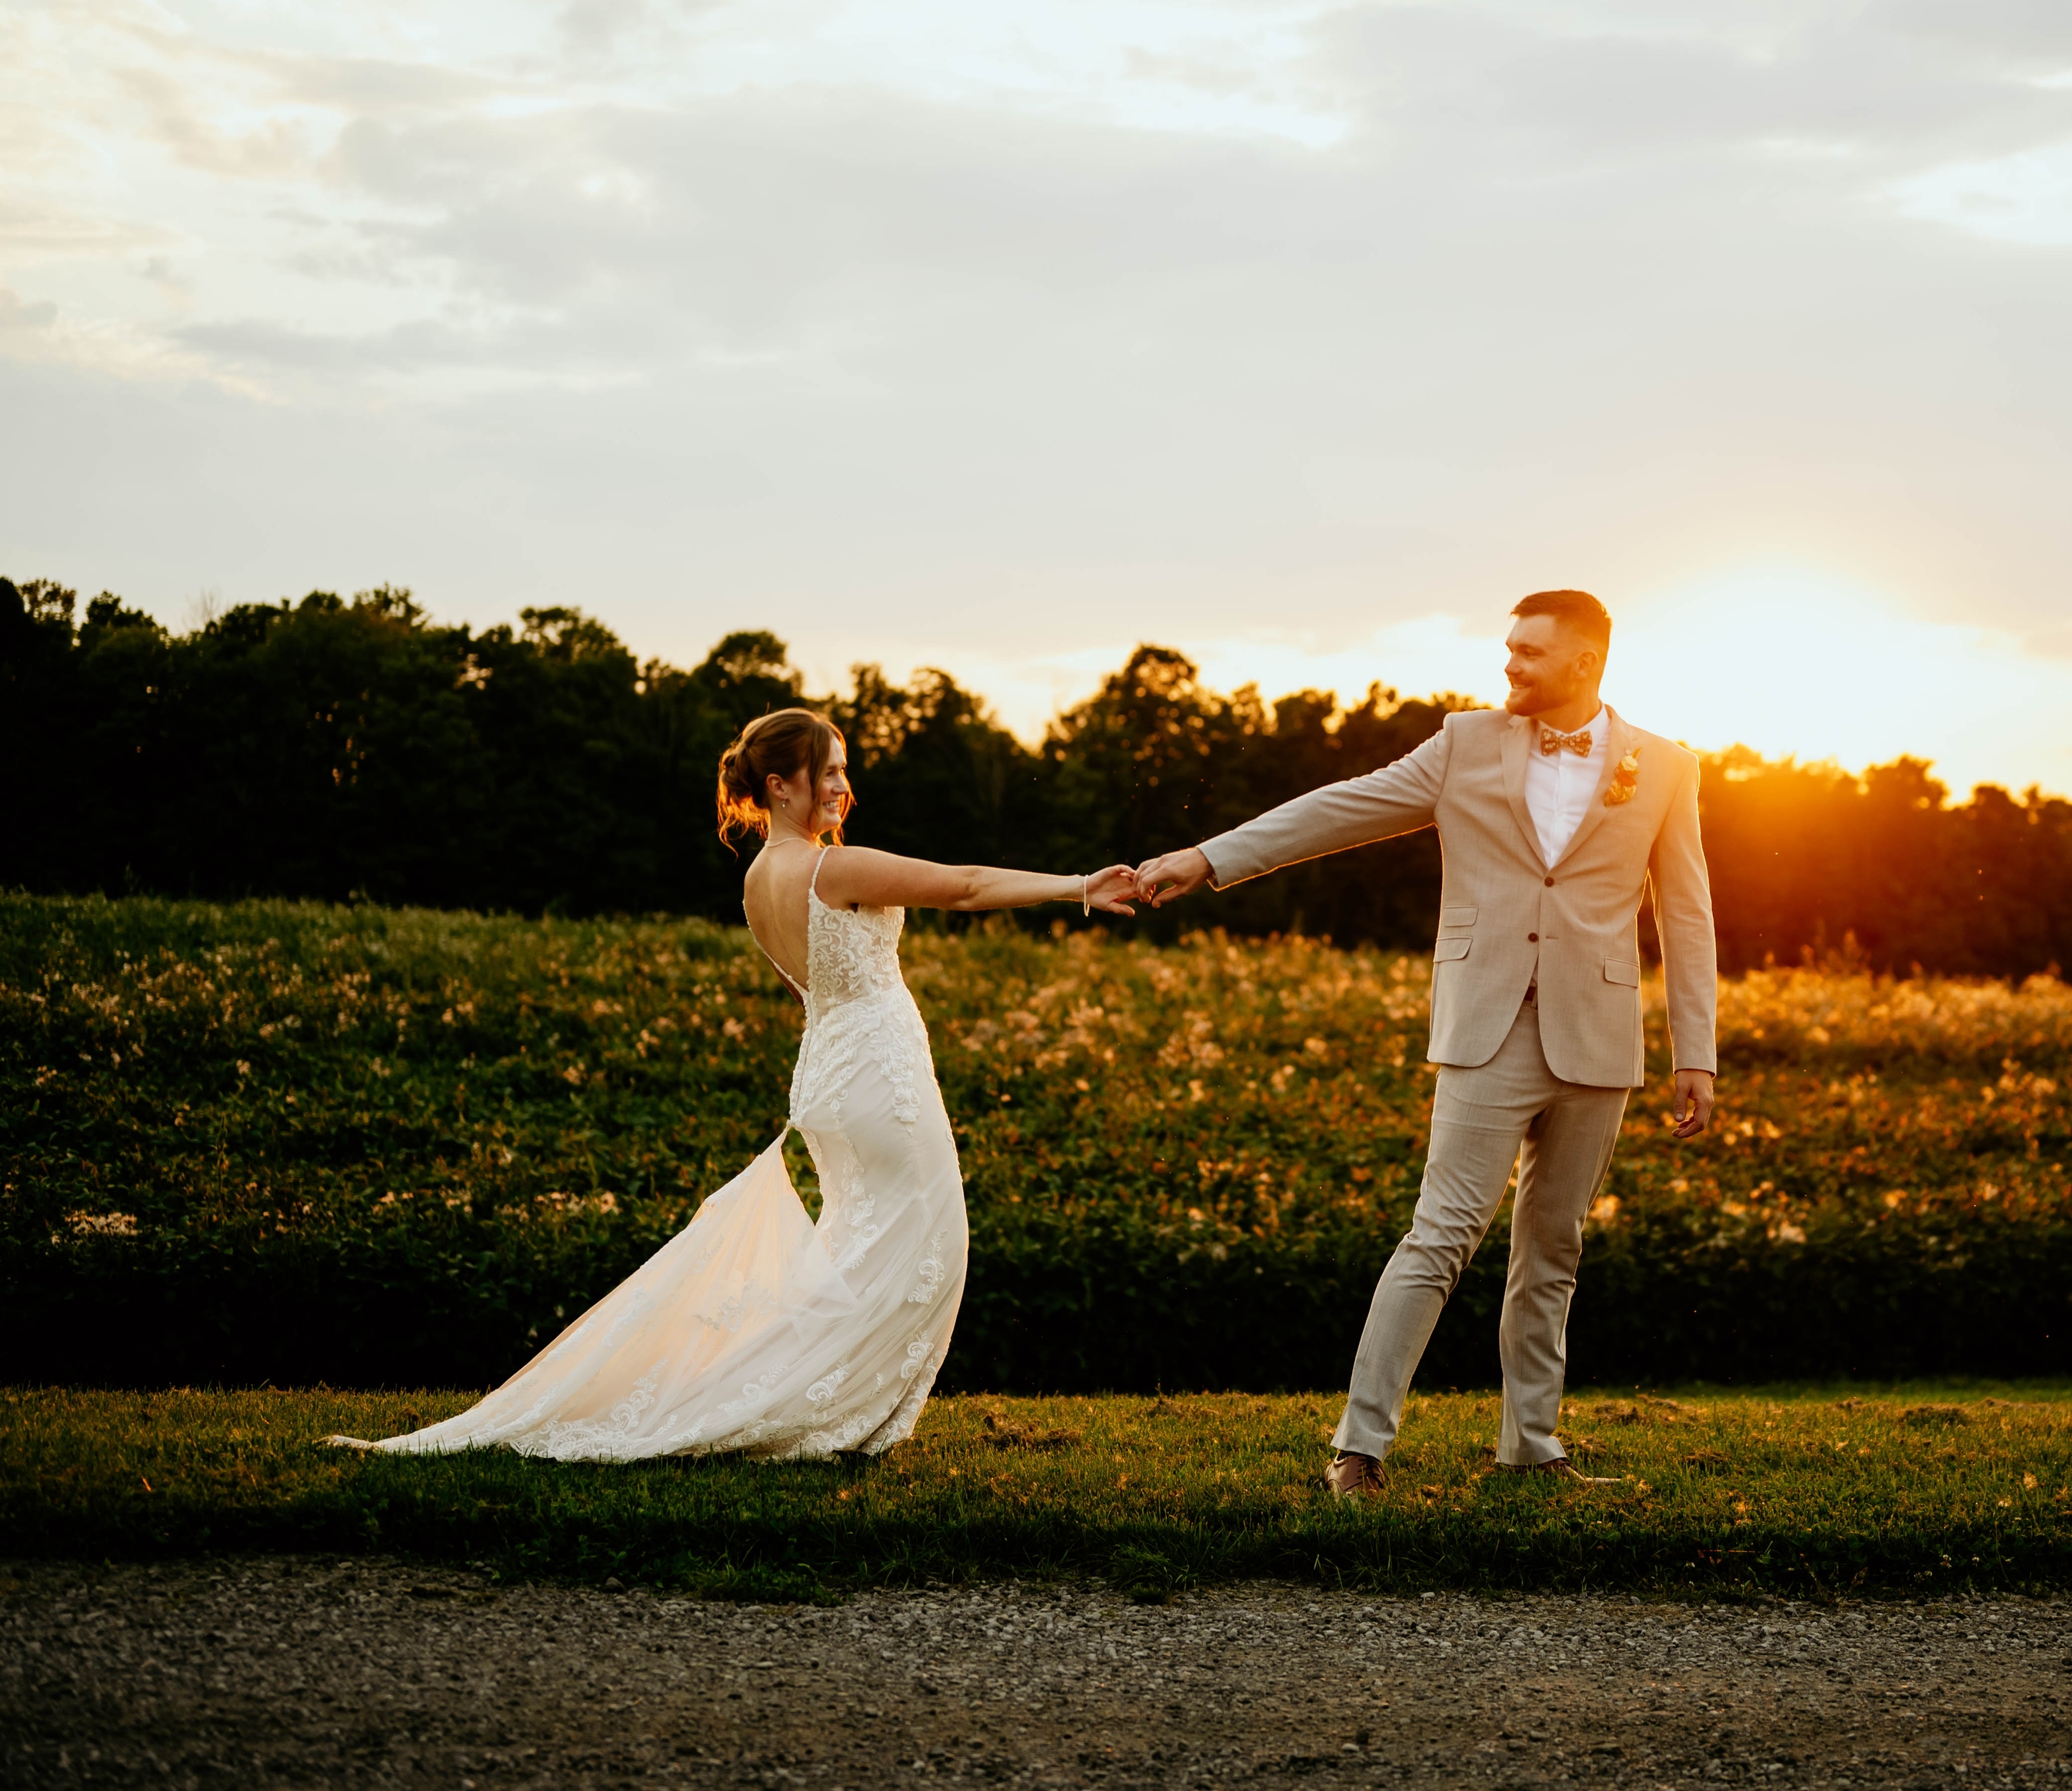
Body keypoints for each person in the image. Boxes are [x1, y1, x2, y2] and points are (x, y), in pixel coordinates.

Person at [326, 708, 1140, 1462]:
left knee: (858, 1246)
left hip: (829, 1070)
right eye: (826, 771)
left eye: (842, 770)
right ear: (779, 785)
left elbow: (809, 988)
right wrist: (1078, 886)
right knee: (927, 1242)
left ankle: (813, 1396)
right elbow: (963, 885)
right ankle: (825, 1410)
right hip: (880, 1072)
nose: (840, 785)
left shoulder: (755, 884)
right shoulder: (835, 866)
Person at [1134, 589, 1717, 1494]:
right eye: (1509, 647)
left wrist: (1696, 1052)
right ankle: (1359, 1448)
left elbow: (1687, 913)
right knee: (1440, 1236)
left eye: (1529, 651)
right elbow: (1339, 808)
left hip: (1599, 1038)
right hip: (1486, 1031)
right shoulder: (1464, 743)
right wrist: (1208, 858)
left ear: (1585, 664)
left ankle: (1532, 1447)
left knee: (1553, 1248)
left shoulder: (1668, 767)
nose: (1510, 663)